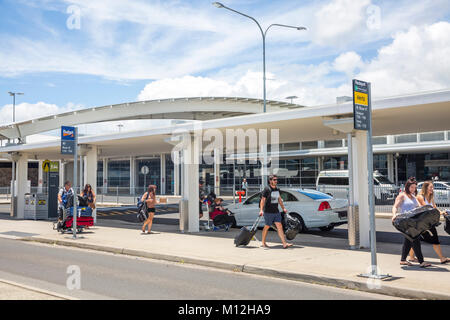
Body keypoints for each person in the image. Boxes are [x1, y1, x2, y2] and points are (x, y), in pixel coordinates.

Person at [392, 177, 431, 267]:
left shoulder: (413, 197)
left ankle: (403, 260)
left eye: (415, 187)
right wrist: (394, 215)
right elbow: (395, 206)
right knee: (415, 239)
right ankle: (422, 262)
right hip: (405, 222)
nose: (413, 189)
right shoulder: (402, 196)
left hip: (414, 222)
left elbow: (418, 207)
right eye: (412, 187)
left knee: (408, 240)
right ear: (407, 186)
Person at [408, 180, 450, 264]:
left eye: (432, 187)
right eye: (431, 187)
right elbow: (426, 208)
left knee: (416, 239)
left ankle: (411, 257)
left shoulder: (430, 197)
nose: (432, 189)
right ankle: (442, 258)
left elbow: (434, 207)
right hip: (422, 223)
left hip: (428, 222)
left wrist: (442, 212)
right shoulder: (420, 197)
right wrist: (437, 212)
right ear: (426, 188)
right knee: (434, 239)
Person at [259, 175, 293, 249]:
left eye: (276, 180)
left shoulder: (277, 189)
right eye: (274, 180)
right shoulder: (267, 189)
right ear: (270, 181)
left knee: (279, 226)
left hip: (276, 211)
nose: (276, 181)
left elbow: (279, 199)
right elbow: (263, 200)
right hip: (268, 211)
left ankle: (284, 243)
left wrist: (283, 208)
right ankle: (263, 242)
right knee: (267, 226)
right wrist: (261, 210)